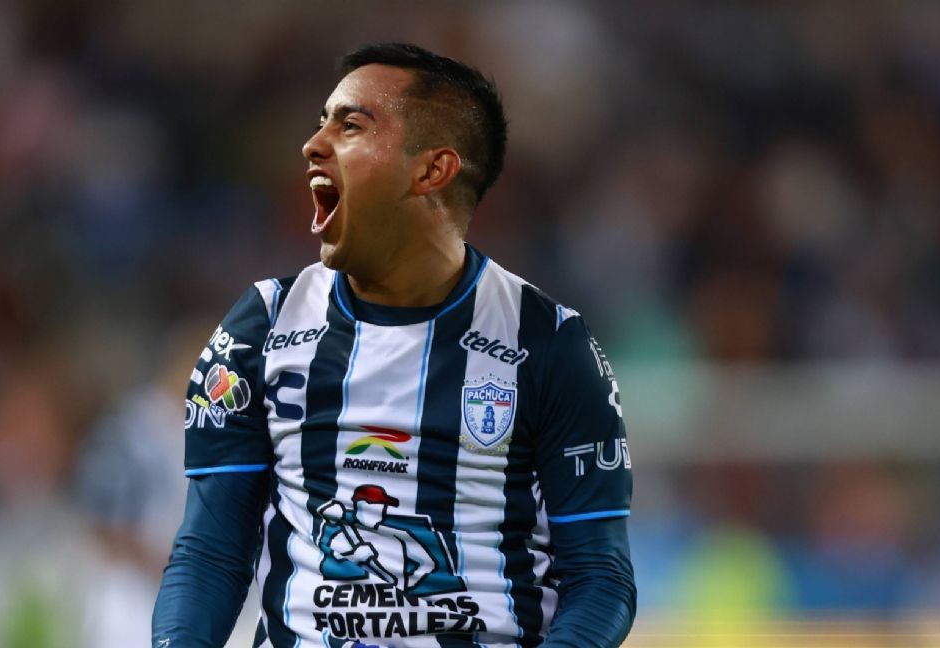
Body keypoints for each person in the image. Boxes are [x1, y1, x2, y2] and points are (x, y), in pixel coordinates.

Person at [152, 42, 636, 648]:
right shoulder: (260, 328)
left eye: (350, 125)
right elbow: (210, 552)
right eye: (321, 121)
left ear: (432, 171)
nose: (313, 144)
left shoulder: (549, 343)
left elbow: (601, 578)